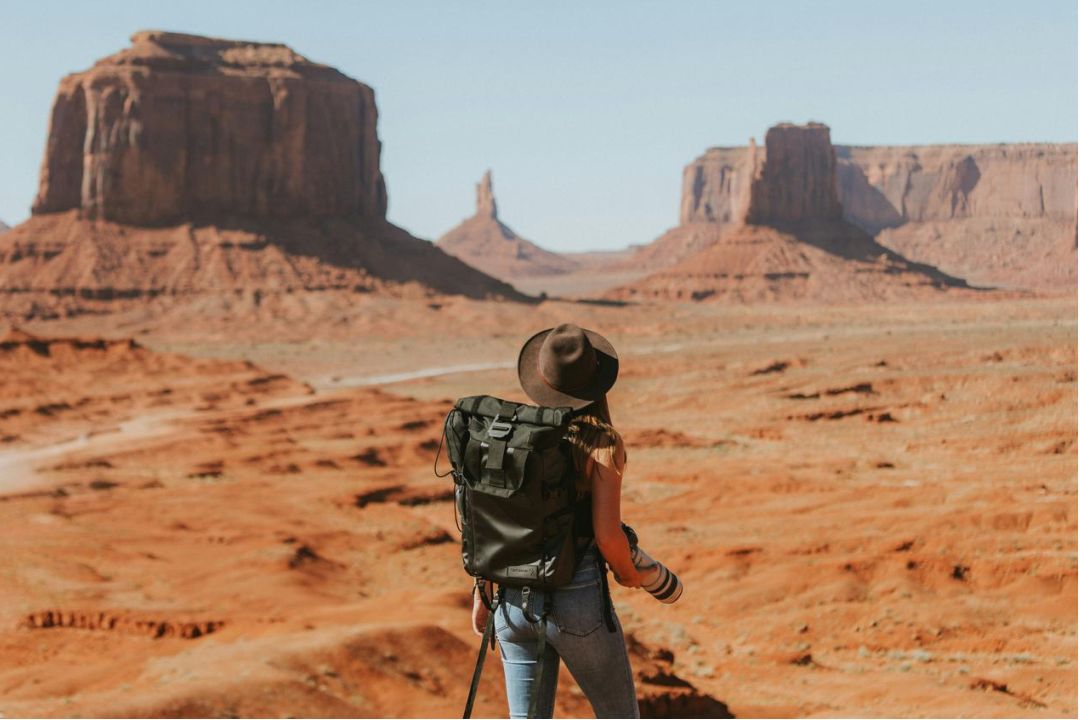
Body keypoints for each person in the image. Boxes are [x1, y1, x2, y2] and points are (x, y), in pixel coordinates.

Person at [470, 323, 643, 719]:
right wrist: (630, 573)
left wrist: (482, 592)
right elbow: (606, 535)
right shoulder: (602, 442)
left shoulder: (513, 439)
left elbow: (491, 522)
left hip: (511, 603)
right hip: (576, 601)